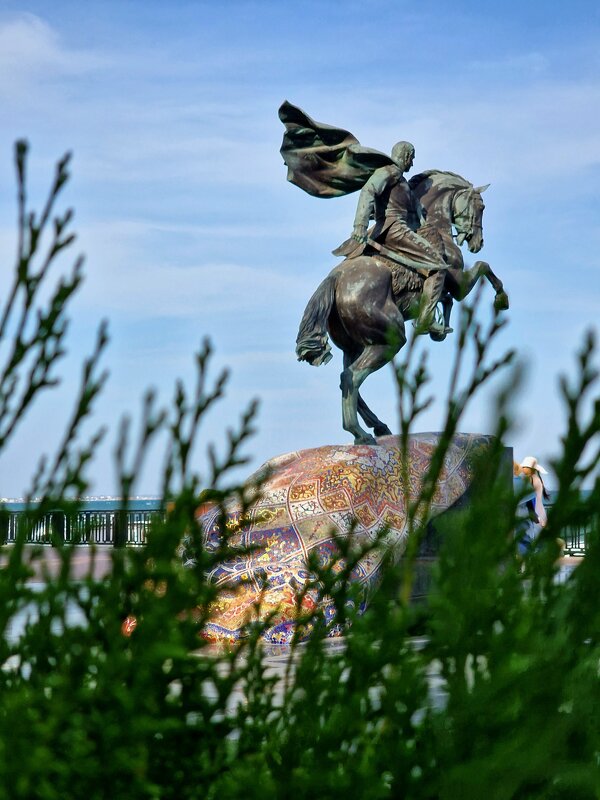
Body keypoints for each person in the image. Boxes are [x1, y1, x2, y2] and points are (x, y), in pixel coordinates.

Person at [339, 141, 451, 337]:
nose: (413, 163)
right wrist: (359, 225)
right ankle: (425, 319)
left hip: (394, 228)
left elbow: (420, 216)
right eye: (412, 158)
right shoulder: (391, 172)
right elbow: (369, 190)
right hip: (395, 229)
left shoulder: (402, 183)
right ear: (406, 156)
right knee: (438, 265)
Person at [515, 456, 550, 554]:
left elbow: (529, 500)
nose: (523, 469)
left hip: (535, 512)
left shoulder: (531, 480)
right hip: (539, 510)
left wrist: (537, 518)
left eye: (525, 467)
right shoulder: (537, 478)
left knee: (532, 538)